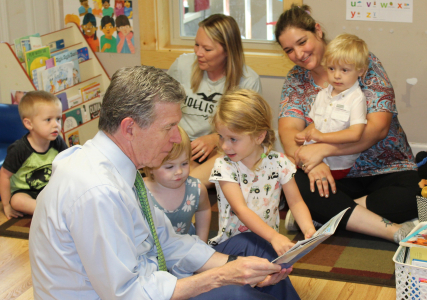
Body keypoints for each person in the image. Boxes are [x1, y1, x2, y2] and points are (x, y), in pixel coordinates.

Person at [29, 66, 300, 300]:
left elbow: (167, 241)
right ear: (130, 128)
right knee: (238, 294)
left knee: (254, 249)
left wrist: (238, 266)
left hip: (150, 277)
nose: (175, 138)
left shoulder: (121, 170)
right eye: (168, 127)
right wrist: (221, 277)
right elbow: (128, 294)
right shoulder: (97, 192)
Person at [275, 4, 420, 243]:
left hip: (387, 169)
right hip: (336, 176)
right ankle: (390, 230)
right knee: (295, 180)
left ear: (318, 31)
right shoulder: (296, 79)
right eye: (289, 50)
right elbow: (288, 131)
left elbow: (377, 128)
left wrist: (323, 149)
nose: (298, 54)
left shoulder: (362, 61)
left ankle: (327, 215)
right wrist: (313, 164)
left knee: (420, 201)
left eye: (302, 42)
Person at [208, 89, 316, 257]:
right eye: (221, 137)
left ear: (259, 137)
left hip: (266, 243)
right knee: (259, 261)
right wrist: (274, 237)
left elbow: (295, 203)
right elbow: (241, 210)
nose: (224, 146)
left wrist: (309, 230)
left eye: (233, 139)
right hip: (233, 246)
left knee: (277, 273)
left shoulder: (279, 163)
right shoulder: (224, 166)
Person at [167, 14, 262, 188]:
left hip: (221, 149)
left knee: (191, 181)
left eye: (207, 49)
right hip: (180, 144)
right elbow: (160, 109)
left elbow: (249, 133)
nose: (198, 53)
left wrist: (214, 138)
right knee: (177, 175)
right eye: (196, 45)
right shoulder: (182, 65)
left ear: (227, 51)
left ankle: (185, 191)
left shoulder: (248, 80)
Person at [295, 33, 368, 180]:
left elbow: (355, 133)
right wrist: (306, 134)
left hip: (337, 165)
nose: (337, 76)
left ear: (360, 71)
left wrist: (322, 137)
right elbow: (316, 123)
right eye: (331, 69)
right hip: (315, 157)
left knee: (298, 181)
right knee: (286, 171)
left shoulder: (356, 98)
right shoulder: (322, 95)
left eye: (344, 70)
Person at [0, 91, 67, 220]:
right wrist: (6, 205)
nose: (56, 125)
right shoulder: (19, 149)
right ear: (29, 124)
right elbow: (4, 175)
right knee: (17, 201)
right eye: (48, 120)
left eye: (58, 119)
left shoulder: (57, 141)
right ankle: (48, 211)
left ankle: (51, 208)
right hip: (26, 193)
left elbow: (69, 163)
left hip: (49, 188)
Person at [143, 126, 211, 243]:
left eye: (184, 163)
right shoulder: (139, 191)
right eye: (170, 167)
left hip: (186, 250)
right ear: (150, 167)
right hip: (152, 254)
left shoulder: (196, 189)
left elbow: (203, 210)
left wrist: (202, 243)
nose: (179, 171)